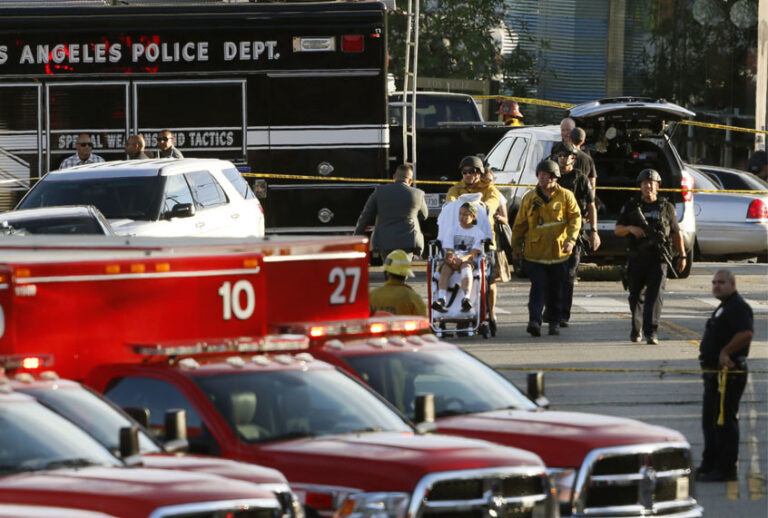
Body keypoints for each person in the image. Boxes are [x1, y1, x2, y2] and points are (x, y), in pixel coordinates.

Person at [614, 169, 687, 345]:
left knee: (655, 297)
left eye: (652, 184)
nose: (648, 187)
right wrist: (631, 229)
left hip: (658, 258)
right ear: (640, 186)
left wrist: (682, 256)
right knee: (635, 296)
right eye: (645, 183)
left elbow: (677, 233)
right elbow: (617, 229)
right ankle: (636, 327)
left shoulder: (666, 207)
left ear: (658, 187)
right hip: (637, 257)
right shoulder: (632, 206)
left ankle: (651, 332)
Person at [511, 159, 581, 337]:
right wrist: (516, 248)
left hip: (559, 254)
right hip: (535, 254)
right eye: (541, 176)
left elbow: (575, 218)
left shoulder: (566, 196)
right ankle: (534, 320)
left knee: (556, 289)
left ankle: (554, 322)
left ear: (555, 178)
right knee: (538, 287)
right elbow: (519, 225)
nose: (543, 179)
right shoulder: (529, 198)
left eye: (547, 176)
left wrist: (571, 240)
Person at [696, 270, 753, 482]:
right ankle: (710, 463)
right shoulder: (724, 307)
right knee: (710, 420)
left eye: (721, 282)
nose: (716, 286)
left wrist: (725, 351)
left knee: (724, 422)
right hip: (714, 375)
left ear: (733, 284)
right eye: (714, 282)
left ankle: (726, 468)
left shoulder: (737, 306)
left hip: (729, 373)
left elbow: (746, 333)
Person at [545, 142, 600, 327]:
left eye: (566, 155)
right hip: (552, 232)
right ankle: (551, 309)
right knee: (551, 274)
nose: (562, 158)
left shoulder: (581, 178)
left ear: (573, 158)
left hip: (574, 232)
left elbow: (591, 205)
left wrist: (594, 231)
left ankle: (563, 315)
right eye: (559, 155)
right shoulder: (551, 178)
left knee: (569, 275)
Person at [445, 156, 501, 326]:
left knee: (488, 280)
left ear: (480, 173)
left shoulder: (490, 189)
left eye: (472, 172)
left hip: (485, 242)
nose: (468, 175)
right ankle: (464, 312)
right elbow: (450, 203)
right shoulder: (456, 189)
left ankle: (490, 313)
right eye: (465, 172)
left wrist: (480, 207)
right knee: (463, 274)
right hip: (462, 242)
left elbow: (492, 203)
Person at [354, 163, 428, 260]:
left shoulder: (379, 192)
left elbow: (366, 216)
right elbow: (424, 216)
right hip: (408, 241)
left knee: (389, 270)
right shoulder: (418, 194)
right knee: (402, 271)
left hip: (385, 241)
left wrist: (357, 235)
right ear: (410, 180)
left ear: (394, 177)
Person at [432, 202, 485, 314]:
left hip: (467, 260)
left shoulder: (478, 233)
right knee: (446, 268)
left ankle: (466, 298)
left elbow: (473, 253)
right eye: (460, 214)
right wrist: (451, 257)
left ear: (473, 217)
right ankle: (442, 299)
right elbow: (449, 248)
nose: (462, 217)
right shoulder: (452, 230)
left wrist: (462, 259)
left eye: (466, 215)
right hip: (454, 260)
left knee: (466, 267)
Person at [480, 167, 509, 335]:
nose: (487, 183)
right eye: (484, 179)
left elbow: (506, 219)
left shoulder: (497, 194)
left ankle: (492, 312)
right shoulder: (473, 192)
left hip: (493, 242)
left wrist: (498, 217)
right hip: (477, 240)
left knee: (490, 282)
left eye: (490, 180)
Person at [369, 250, 427, 317]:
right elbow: (423, 324)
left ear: (387, 273)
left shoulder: (372, 296)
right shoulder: (414, 299)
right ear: (406, 275)